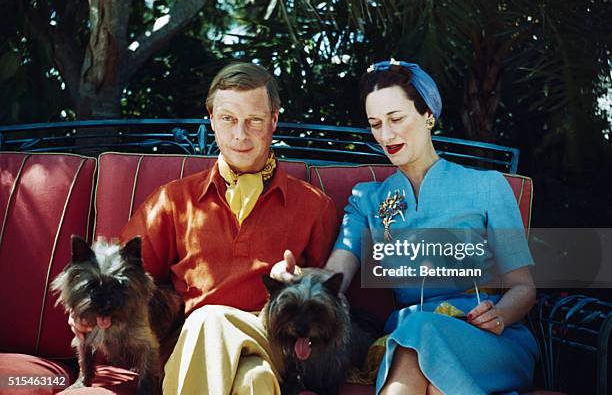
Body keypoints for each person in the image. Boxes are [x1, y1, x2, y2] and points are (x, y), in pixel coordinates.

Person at [68, 62, 338, 395]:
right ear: (211, 120)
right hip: (191, 341)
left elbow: (331, 299)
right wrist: (88, 312)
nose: (240, 134)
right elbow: (120, 276)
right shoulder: (173, 200)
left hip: (274, 336)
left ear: (274, 121)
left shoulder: (315, 206)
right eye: (228, 119)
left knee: (212, 319)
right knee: (253, 380)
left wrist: (303, 278)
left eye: (254, 120)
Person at [275, 59, 538, 394]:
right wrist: (300, 279)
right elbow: (334, 277)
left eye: (396, 119)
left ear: (428, 115)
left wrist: (499, 315)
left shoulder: (488, 186)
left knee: (423, 338)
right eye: (375, 124)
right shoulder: (367, 199)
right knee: (420, 342)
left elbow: (524, 288)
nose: (386, 135)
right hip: (406, 336)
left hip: (487, 339)